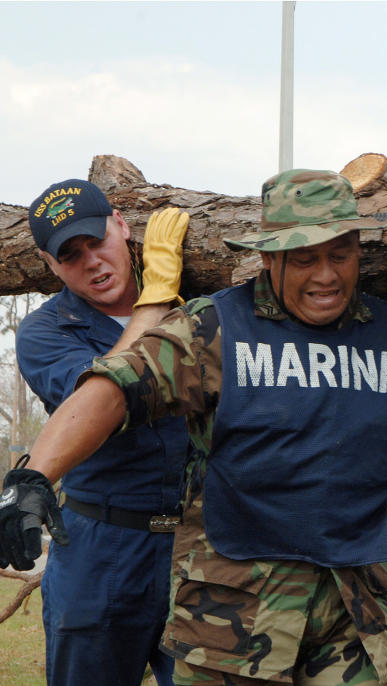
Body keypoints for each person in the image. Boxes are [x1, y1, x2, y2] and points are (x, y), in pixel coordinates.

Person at [0, 170, 387, 685]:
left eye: (341, 254)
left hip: (358, 609)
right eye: (305, 258)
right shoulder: (212, 328)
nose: (326, 275)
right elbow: (111, 390)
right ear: (268, 257)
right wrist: (32, 479)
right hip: (229, 607)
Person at [12, 179, 190, 686]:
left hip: (201, 546)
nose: (91, 261)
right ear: (51, 267)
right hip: (100, 549)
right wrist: (155, 302)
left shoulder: (198, 303)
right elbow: (108, 394)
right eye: (70, 255)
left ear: (122, 225)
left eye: (97, 240)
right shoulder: (47, 332)